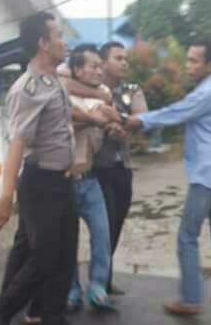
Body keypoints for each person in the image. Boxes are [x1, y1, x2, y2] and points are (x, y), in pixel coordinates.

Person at [0, 13, 106, 325]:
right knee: (45, 257)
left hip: (62, 180)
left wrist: (95, 120)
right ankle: (3, 307)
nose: (64, 41)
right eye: (58, 35)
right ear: (42, 43)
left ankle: (51, 315)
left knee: (65, 255)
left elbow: (61, 121)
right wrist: (6, 194)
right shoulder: (27, 89)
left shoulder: (53, 79)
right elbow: (18, 142)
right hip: (41, 184)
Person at [124, 41, 211, 315]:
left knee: (187, 236)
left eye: (195, 61)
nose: (188, 65)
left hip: (207, 175)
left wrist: (139, 121)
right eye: (188, 59)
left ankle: (190, 299)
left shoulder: (207, 93)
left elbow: (175, 113)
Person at [59, 41, 147, 295]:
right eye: (118, 58)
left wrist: (116, 125)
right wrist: (95, 119)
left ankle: (100, 284)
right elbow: (61, 98)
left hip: (113, 169)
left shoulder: (123, 90)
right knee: (68, 237)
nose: (124, 63)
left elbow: (139, 119)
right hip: (87, 172)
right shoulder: (71, 84)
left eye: (125, 58)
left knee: (107, 231)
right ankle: (72, 290)